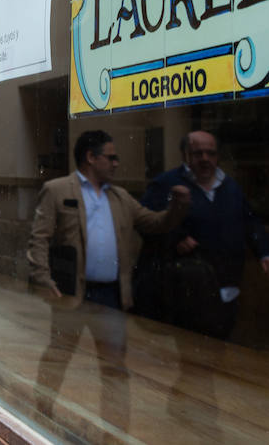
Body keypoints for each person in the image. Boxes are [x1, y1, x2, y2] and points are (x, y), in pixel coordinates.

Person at [28, 130, 189, 429]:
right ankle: (42, 414)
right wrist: (43, 278)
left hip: (111, 297)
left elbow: (154, 224)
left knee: (115, 368)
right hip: (71, 294)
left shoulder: (121, 197)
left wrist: (177, 208)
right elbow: (40, 238)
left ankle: (115, 431)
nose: (116, 163)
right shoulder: (57, 189)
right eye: (111, 157)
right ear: (91, 158)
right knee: (59, 356)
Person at [136, 130, 269, 339]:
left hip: (227, 288)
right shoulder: (166, 184)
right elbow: (144, 222)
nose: (205, 159)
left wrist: (265, 253)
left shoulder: (230, 187)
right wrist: (175, 238)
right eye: (198, 153)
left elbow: (250, 223)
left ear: (218, 156)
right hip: (184, 291)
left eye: (210, 153)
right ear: (186, 155)